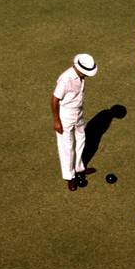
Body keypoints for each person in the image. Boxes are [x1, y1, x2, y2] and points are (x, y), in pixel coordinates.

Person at [51, 54, 98, 191]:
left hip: (78, 113)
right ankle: (70, 177)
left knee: (81, 139)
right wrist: (56, 121)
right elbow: (54, 100)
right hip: (65, 116)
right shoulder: (65, 79)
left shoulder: (81, 77)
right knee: (67, 147)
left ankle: (79, 168)